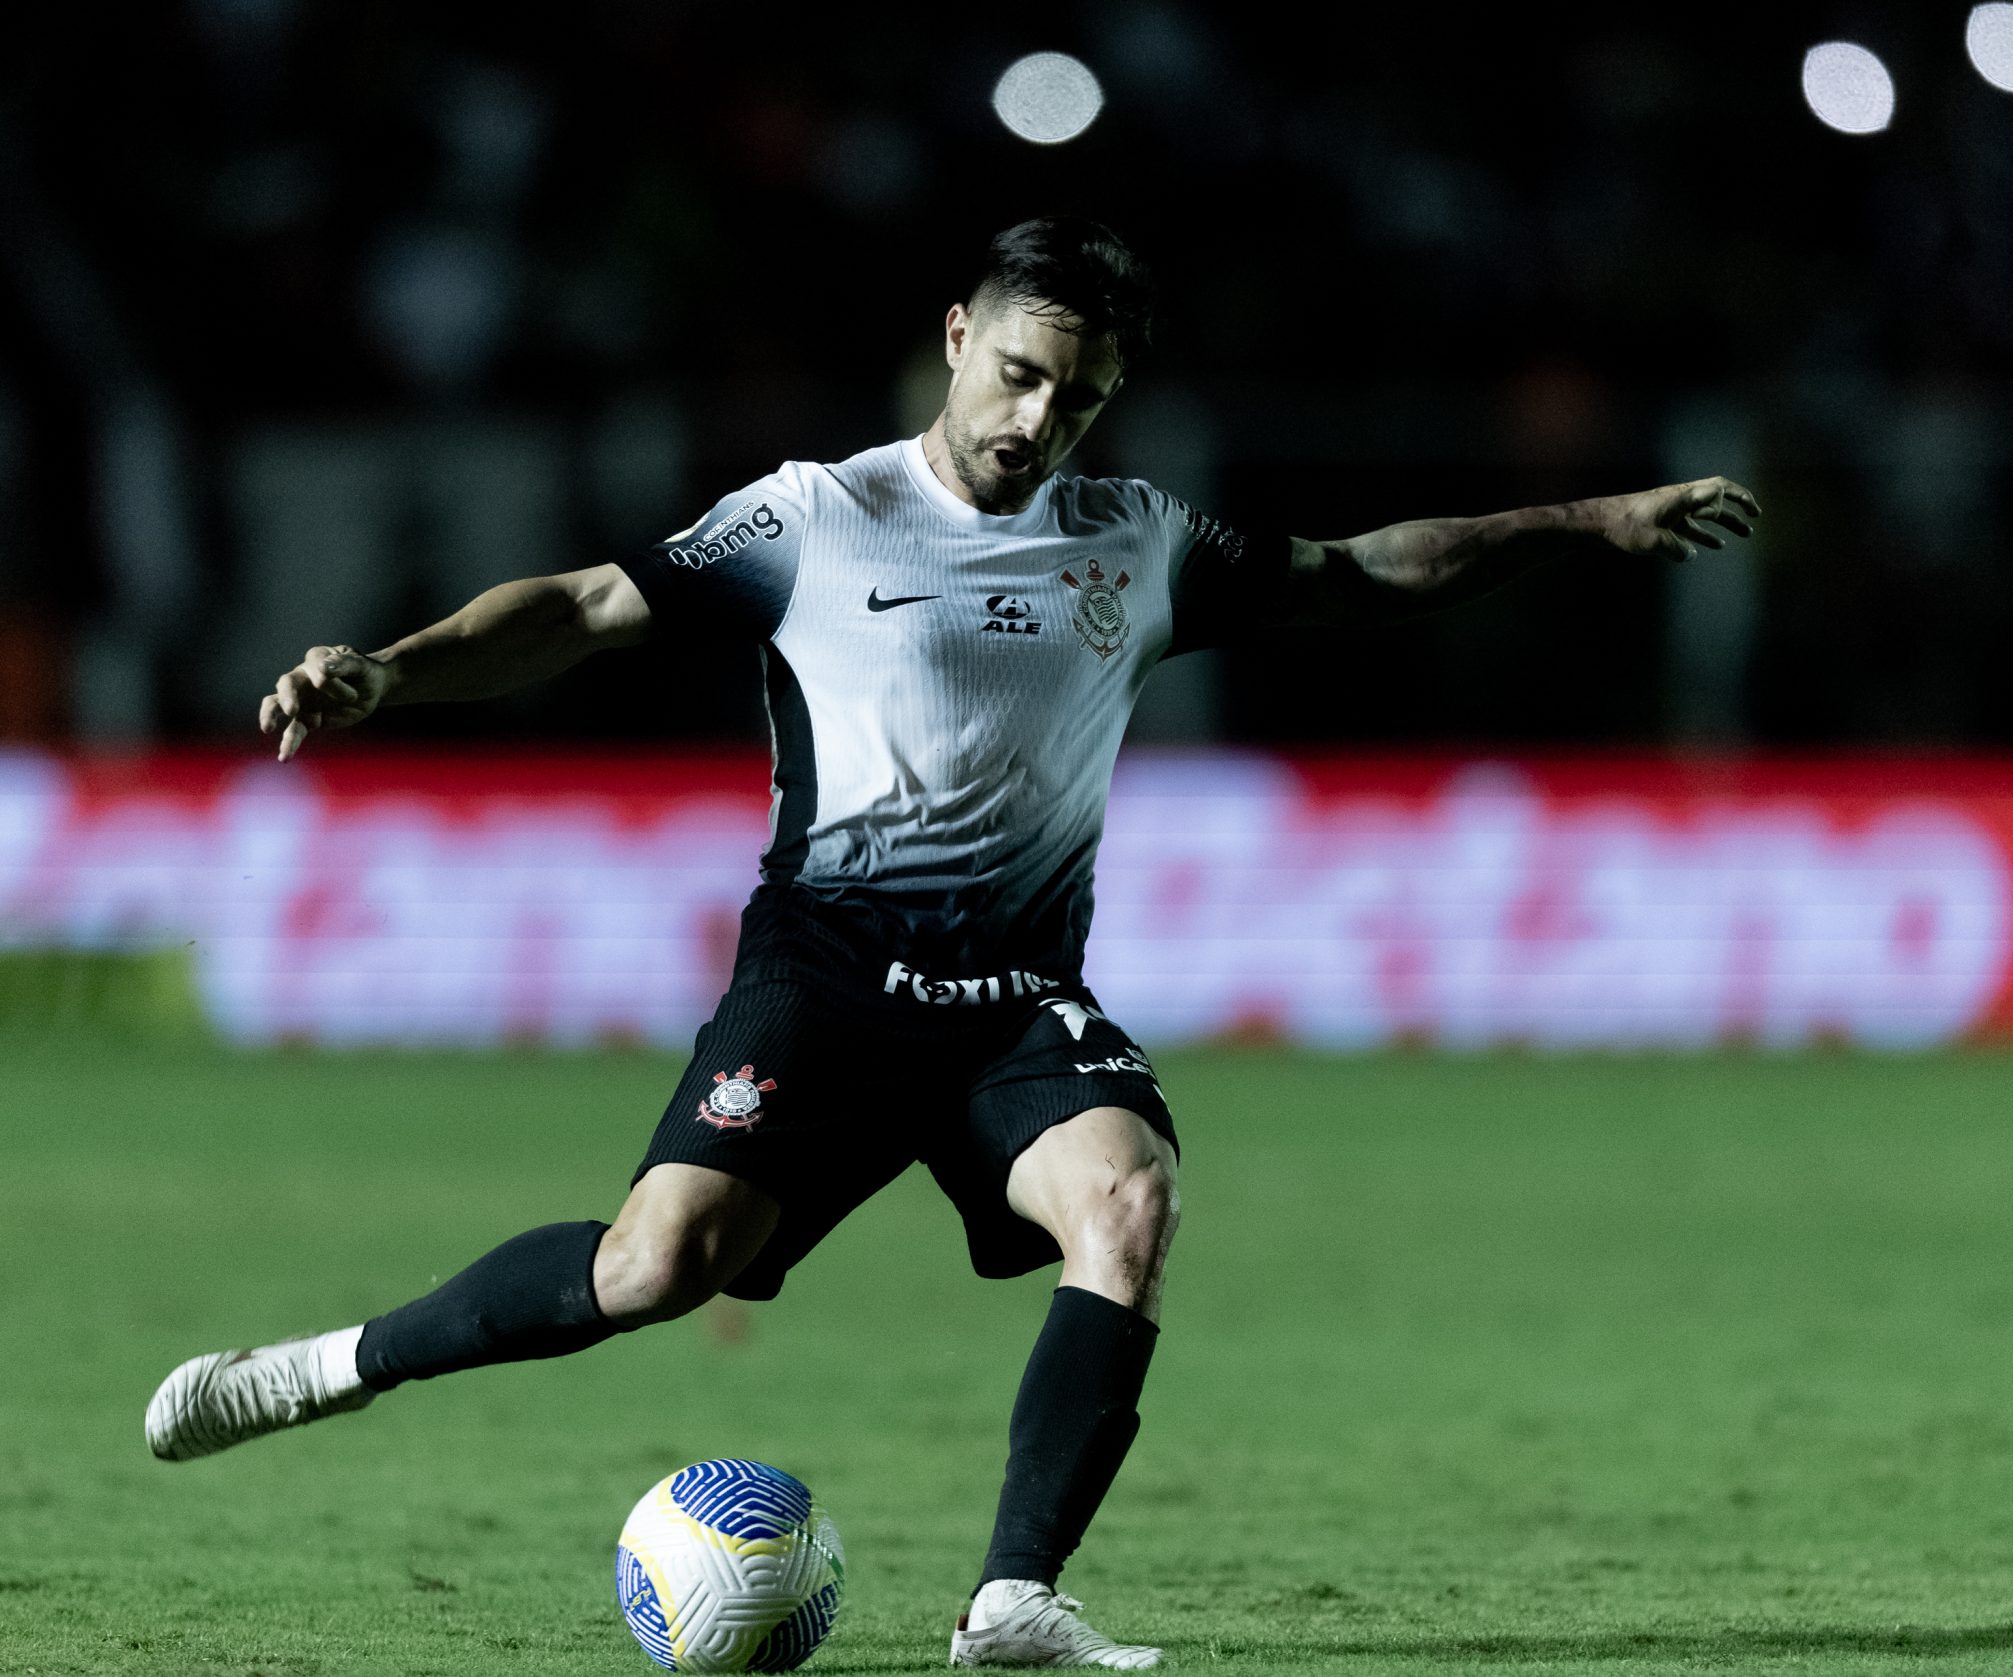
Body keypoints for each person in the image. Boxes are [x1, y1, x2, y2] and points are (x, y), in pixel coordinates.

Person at [144, 217, 1760, 1669]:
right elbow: (577, 606)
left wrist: (1587, 518)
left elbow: (1365, 571)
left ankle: (1014, 1603)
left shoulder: (1133, 537)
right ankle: (320, 1366)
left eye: (1077, 395)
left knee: (1126, 1201)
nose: (1036, 421)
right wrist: (387, 672)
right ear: (954, 339)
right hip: (827, 975)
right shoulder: (812, 519)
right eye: (1018, 374)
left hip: (1015, 995)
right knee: (653, 1268)